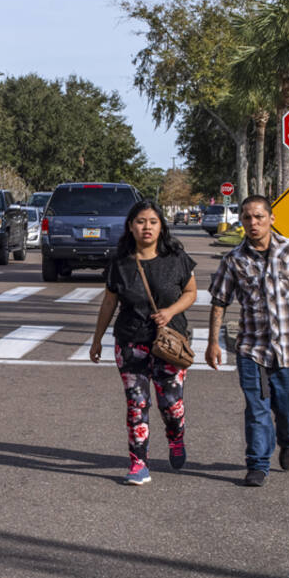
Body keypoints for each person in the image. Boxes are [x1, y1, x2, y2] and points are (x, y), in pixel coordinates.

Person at [207, 194, 289, 487]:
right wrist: (213, 342)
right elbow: (219, 302)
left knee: (287, 407)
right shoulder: (233, 259)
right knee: (257, 408)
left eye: (259, 217)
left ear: (271, 218)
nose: (253, 223)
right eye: (247, 217)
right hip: (252, 350)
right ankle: (258, 464)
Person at [89, 198, 198, 485]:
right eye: (140, 222)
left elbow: (191, 292)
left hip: (170, 342)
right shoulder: (120, 263)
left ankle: (176, 437)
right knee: (137, 403)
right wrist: (97, 339)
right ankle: (139, 464)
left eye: (152, 222)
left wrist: (170, 311)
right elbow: (109, 301)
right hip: (130, 340)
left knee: (170, 403)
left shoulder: (176, 258)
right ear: (130, 227)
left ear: (161, 227)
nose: (146, 227)